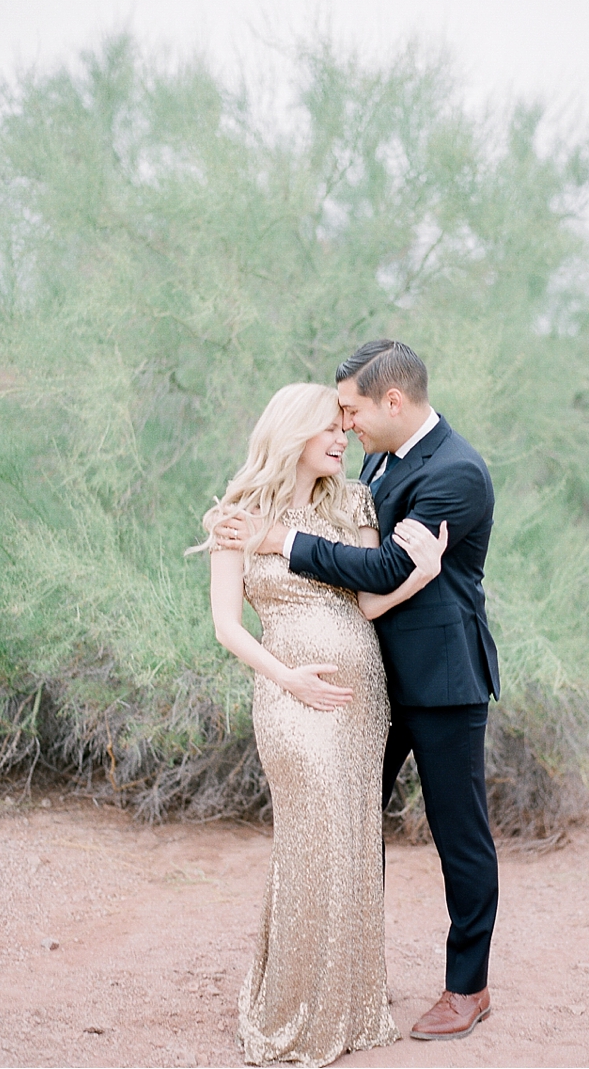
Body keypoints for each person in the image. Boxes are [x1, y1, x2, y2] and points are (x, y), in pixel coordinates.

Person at [214, 340, 503, 1043]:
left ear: (392, 401)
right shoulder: (376, 462)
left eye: (351, 410)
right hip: (367, 685)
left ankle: (468, 987)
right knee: (344, 827)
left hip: (439, 681)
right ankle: (344, 976)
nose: (346, 425)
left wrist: (280, 541)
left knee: (459, 834)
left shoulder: (457, 472)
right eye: (335, 416)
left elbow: (378, 571)